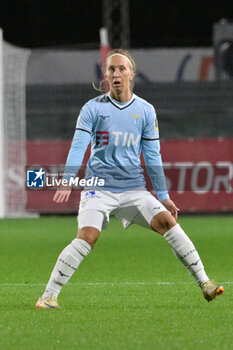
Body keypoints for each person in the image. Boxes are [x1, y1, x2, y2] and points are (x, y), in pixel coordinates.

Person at [36, 49, 224, 309]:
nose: (116, 73)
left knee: (167, 222)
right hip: (98, 189)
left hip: (133, 189)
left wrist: (163, 196)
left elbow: (152, 155)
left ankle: (205, 283)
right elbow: (78, 145)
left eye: (122, 68)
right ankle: (48, 296)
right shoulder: (92, 108)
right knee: (87, 236)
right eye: (111, 69)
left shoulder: (145, 111)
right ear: (106, 75)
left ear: (131, 73)